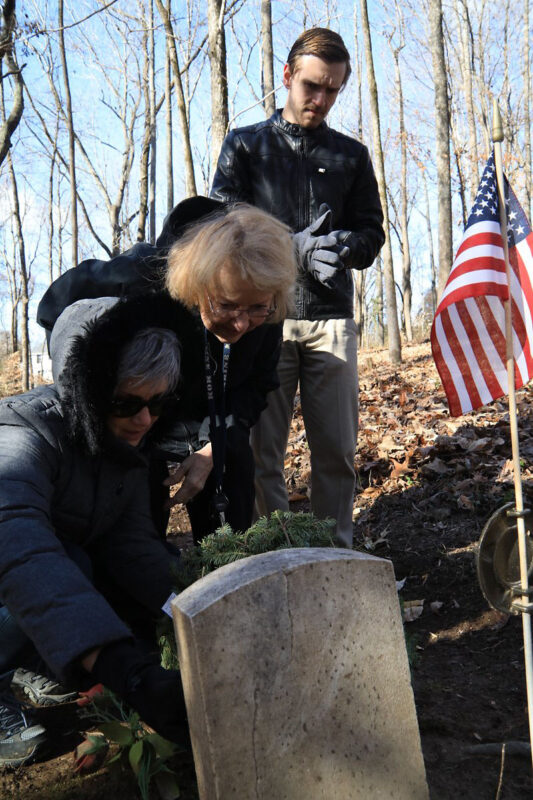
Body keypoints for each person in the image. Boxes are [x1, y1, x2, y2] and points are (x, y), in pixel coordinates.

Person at [210, 28, 385, 548]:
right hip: (263, 319)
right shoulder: (246, 146)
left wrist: (342, 248)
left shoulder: (351, 155)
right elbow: (222, 221)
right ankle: (279, 555)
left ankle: (335, 558)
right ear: (287, 76)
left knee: (336, 451)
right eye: (312, 85)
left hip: (331, 319)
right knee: (264, 453)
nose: (321, 99)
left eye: (333, 90)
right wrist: (291, 247)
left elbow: (372, 232)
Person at [0, 295, 188, 768]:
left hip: (30, 580)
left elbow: (133, 549)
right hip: (11, 567)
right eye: (127, 402)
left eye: (157, 403)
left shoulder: (117, 444)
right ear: (89, 388)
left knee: (85, 564)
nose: (144, 420)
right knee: (65, 565)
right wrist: (127, 672)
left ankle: (28, 663)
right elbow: (24, 553)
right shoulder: (22, 434)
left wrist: (192, 606)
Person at [37, 201, 297, 542]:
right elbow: (54, 306)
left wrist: (212, 448)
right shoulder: (138, 278)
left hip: (213, 423)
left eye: (256, 309)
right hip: (143, 422)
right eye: (227, 305)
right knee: (139, 532)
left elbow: (255, 387)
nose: (241, 322)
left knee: (231, 501)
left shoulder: (265, 309)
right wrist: (90, 398)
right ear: (198, 285)